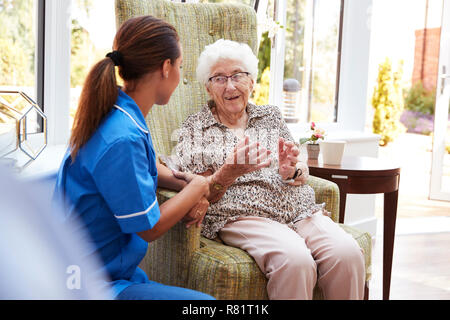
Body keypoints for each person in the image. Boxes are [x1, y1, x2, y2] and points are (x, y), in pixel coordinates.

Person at [172, 39, 366, 300]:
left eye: (238, 75)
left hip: (298, 209)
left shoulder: (271, 116)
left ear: (251, 82)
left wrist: (292, 170)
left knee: (347, 253)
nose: (230, 85)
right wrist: (229, 171)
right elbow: (199, 193)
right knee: (295, 260)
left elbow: (300, 172)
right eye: (219, 78)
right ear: (208, 88)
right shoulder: (196, 127)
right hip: (242, 215)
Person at [53, 15, 218, 300]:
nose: (180, 76)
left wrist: (183, 182)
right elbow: (149, 229)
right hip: (91, 284)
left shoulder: (116, 113)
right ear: (166, 68)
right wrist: (198, 188)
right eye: (180, 66)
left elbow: (145, 167)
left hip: (107, 272)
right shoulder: (123, 138)